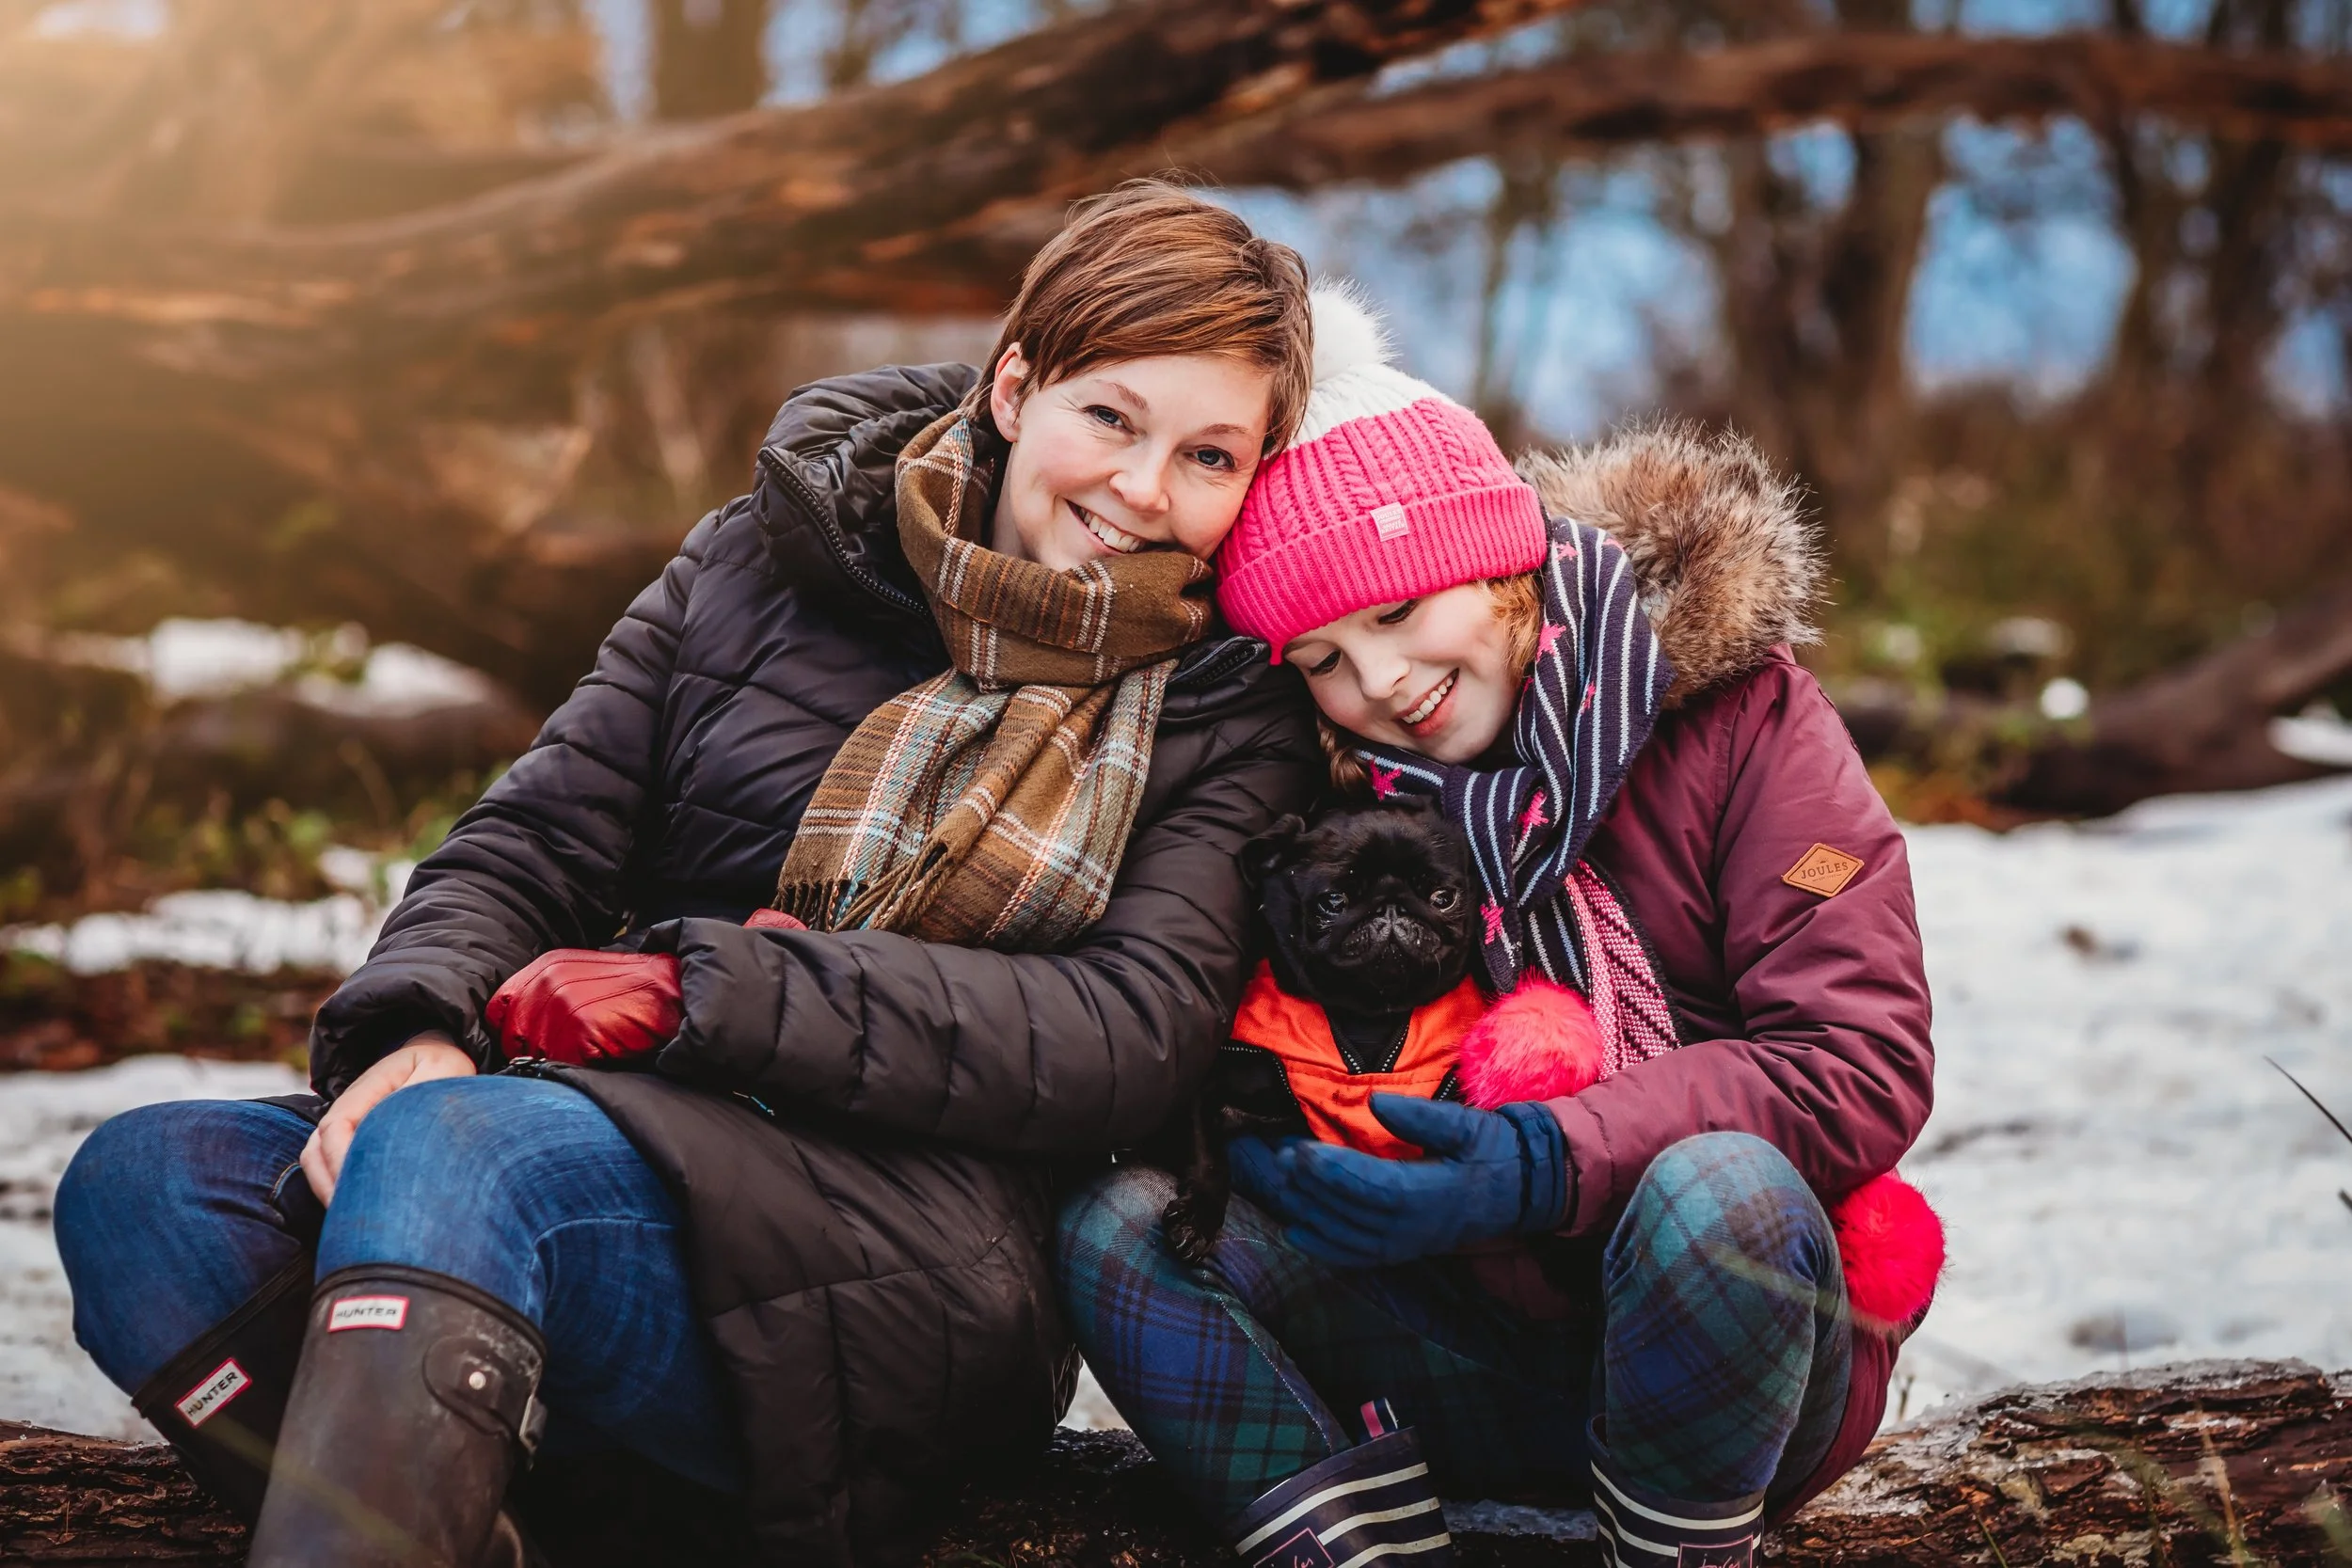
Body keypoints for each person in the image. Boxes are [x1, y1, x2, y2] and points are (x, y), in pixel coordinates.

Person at [53, 183, 1321, 1568]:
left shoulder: (1228, 703)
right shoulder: (762, 562)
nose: (1146, 491)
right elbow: (538, 835)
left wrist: (709, 990)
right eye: (1114, 418)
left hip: (930, 1263)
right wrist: (416, 1025)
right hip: (602, 1146)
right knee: (147, 1182)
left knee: (459, 1149)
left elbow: (1127, 1035)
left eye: (1210, 456)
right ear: (1017, 385)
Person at [1056, 288, 1939, 1568]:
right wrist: (1256, 1149)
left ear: (1503, 564)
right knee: (1116, 1222)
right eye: (1323, 660)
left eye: (1402, 613)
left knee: (1722, 1182)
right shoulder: (1316, 789)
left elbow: (1855, 1061)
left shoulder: (1748, 724)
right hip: (1443, 1349)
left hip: (1730, 1349)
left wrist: (1541, 1161)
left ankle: (1678, 1542)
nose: (1383, 685)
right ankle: (1353, 1544)